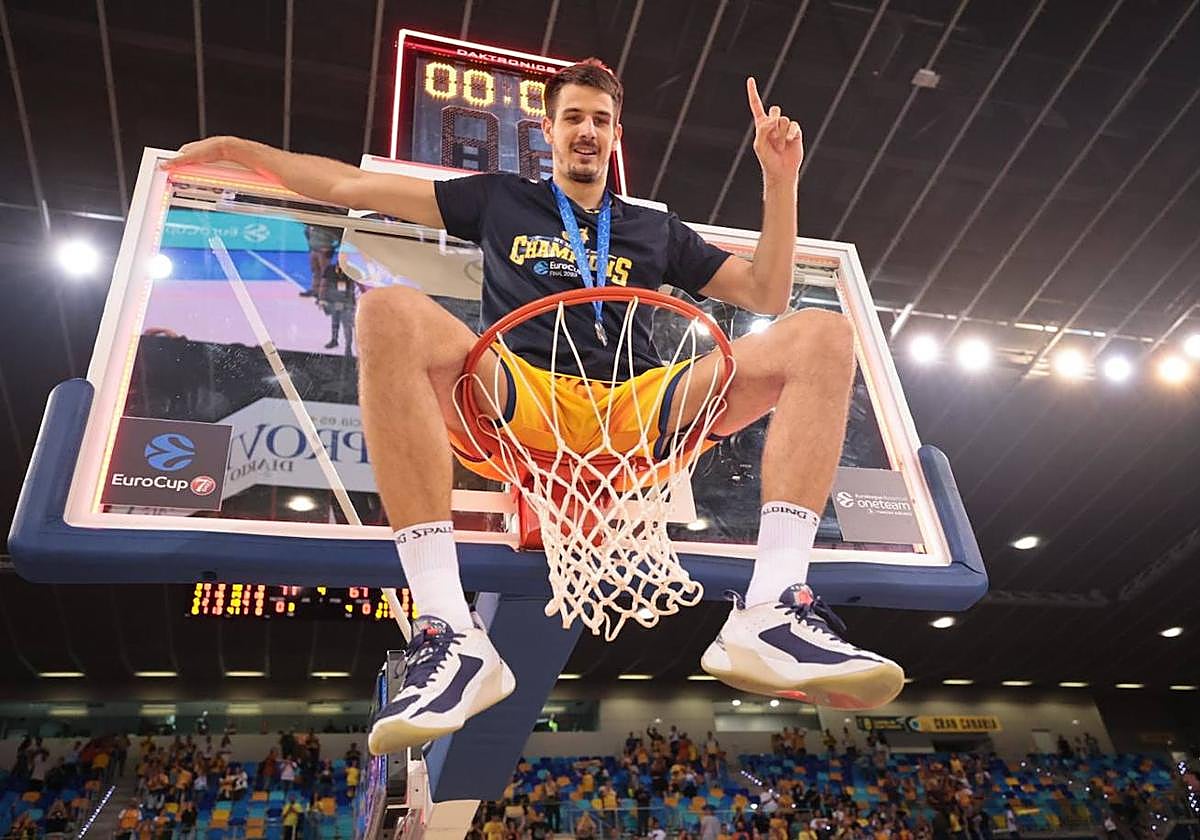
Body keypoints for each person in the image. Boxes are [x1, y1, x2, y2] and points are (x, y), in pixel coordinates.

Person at [169, 59, 904, 754]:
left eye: (602, 121)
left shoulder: (653, 227)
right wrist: (239, 147)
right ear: (547, 131)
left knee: (821, 337)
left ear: (617, 137)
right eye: (574, 118)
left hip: (637, 406)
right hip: (520, 392)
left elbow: (768, 294)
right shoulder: (498, 198)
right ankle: (447, 627)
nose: (588, 131)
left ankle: (772, 607)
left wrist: (780, 181)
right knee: (390, 311)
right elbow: (347, 186)